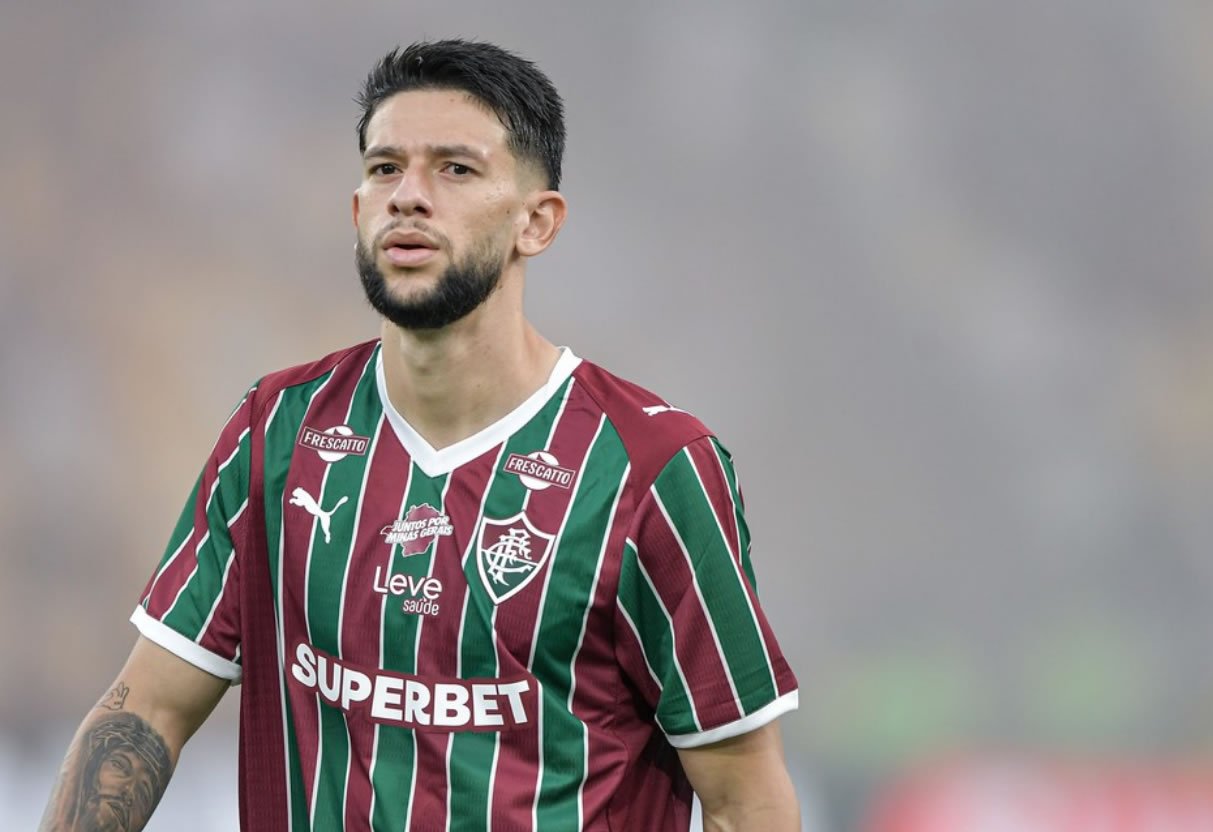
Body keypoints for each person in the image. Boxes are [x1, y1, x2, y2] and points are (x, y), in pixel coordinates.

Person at [41, 39, 800, 831]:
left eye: (455, 169)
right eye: (385, 168)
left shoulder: (651, 469)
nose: (408, 196)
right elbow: (147, 712)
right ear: (357, 212)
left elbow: (745, 799)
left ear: (536, 223)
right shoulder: (277, 432)